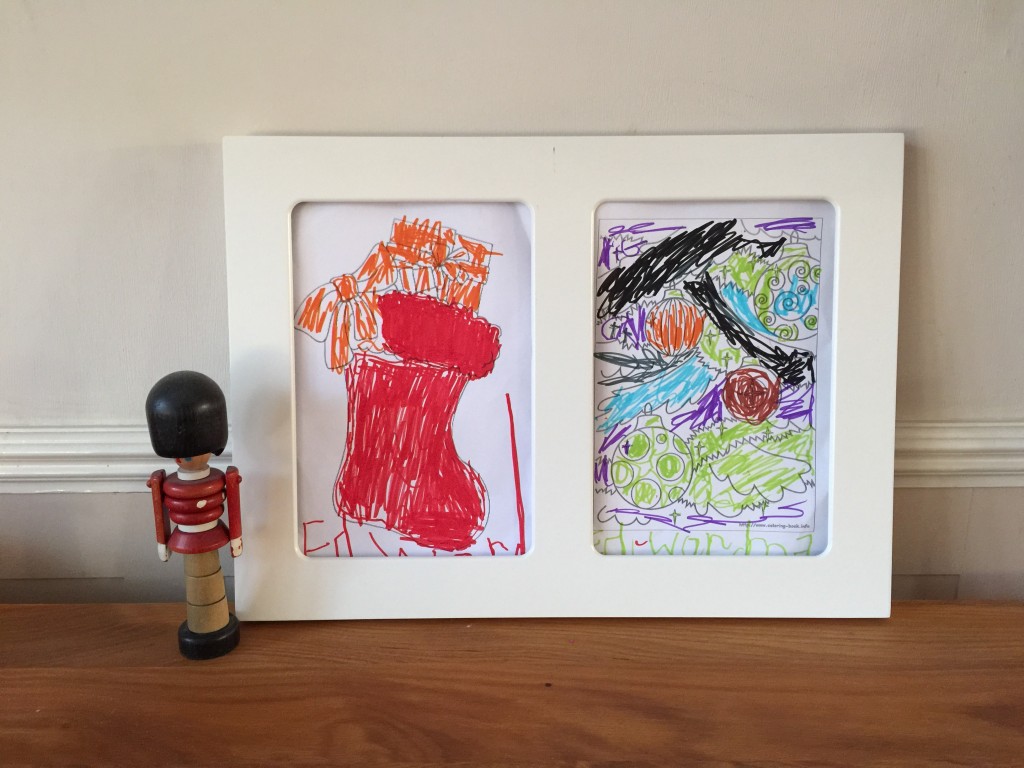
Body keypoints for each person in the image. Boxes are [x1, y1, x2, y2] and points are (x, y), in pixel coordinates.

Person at [145, 370, 242, 659]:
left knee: (208, 582)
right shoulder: (167, 484)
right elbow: (159, 507)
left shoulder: (220, 480)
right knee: (200, 584)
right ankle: (205, 626)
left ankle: (214, 624)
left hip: (210, 533)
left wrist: (235, 537)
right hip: (187, 536)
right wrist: (162, 541)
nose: (184, 457)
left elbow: (233, 502)